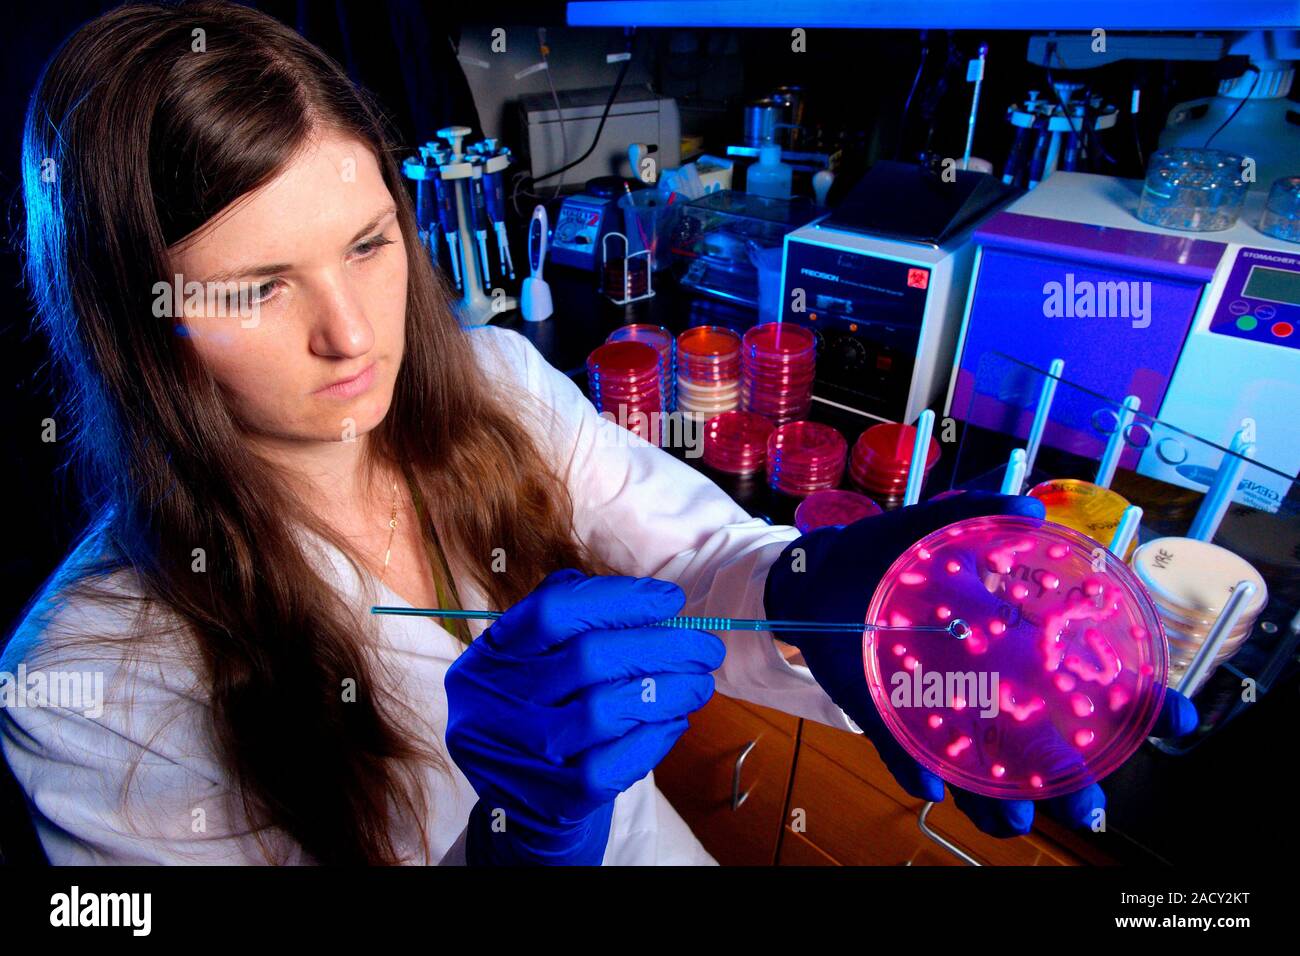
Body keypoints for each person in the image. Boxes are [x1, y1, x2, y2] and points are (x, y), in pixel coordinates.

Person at [0, 1, 1195, 866]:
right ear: (136, 324)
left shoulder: (494, 380)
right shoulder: (93, 686)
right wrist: (513, 848)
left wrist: (831, 592)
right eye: (257, 286)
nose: (351, 331)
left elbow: (682, 565)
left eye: (368, 244)